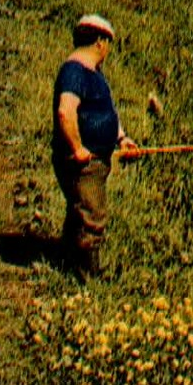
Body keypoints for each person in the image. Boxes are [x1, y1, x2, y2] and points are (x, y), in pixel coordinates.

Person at [52, 14, 138, 276]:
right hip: (84, 161)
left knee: (81, 211)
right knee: (92, 214)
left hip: (95, 158)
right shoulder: (74, 71)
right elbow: (66, 112)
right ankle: (89, 275)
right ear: (100, 42)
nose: (108, 51)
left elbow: (105, 112)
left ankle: (68, 262)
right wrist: (77, 149)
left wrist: (121, 138)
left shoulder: (93, 74)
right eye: (109, 44)